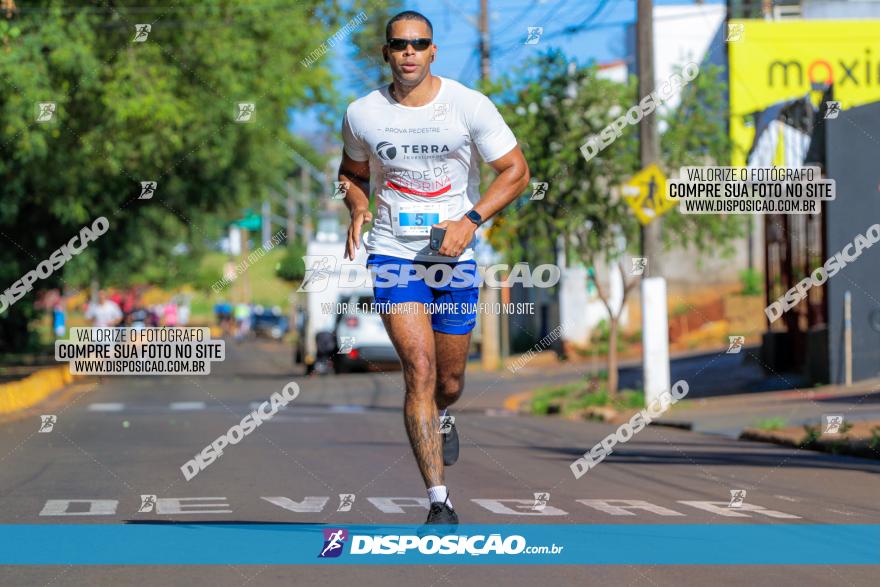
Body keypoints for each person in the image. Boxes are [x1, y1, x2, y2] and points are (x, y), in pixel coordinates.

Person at [339, 10, 530, 526]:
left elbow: (516, 170)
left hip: (454, 257)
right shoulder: (362, 113)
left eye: (418, 44)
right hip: (394, 254)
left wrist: (472, 219)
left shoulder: (468, 105)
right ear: (386, 53)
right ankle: (438, 500)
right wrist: (357, 204)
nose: (408, 52)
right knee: (418, 370)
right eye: (399, 44)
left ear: (433, 52)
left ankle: (443, 415)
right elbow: (350, 173)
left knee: (448, 381)